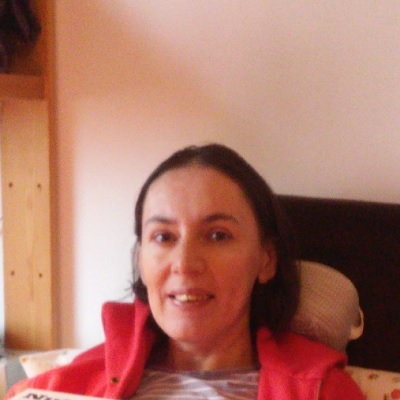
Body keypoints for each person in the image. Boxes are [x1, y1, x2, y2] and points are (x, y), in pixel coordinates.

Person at [6, 143, 364, 399]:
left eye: (217, 235)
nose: (185, 263)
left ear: (266, 260)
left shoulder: (323, 390)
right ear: (140, 260)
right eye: (163, 237)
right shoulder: (64, 387)